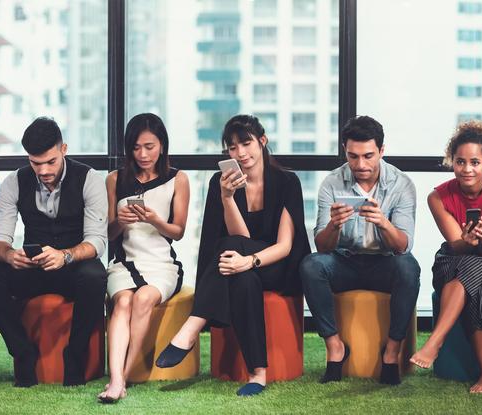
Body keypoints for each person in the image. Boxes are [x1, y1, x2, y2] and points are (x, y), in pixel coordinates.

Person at [154, 115, 310, 397]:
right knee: (242, 278)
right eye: (232, 147)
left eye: (246, 144)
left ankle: (192, 326)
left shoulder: (287, 182)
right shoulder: (221, 182)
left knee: (234, 256)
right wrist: (227, 198)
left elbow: (286, 245)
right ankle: (258, 374)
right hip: (245, 263)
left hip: (279, 266)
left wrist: (248, 260)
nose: (240, 153)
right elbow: (242, 239)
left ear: (262, 141)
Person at [0, 117, 108, 387]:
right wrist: (9, 255)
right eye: (36, 163)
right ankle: (22, 352)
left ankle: (75, 356)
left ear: (64, 150)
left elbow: (97, 242)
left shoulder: (90, 179)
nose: (44, 170)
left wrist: (65, 256)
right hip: (33, 270)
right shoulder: (14, 181)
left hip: (72, 267)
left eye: (51, 161)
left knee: (95, 275)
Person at [300, 115, 420, 386]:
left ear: (382, 151)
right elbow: (322, 246)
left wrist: (383, 223)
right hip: (345, 263)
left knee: (409, 267)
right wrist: (334, 224)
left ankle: (391, 353)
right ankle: (335, 348)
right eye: (353, 156)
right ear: (345, 150)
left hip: (385, 262)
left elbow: (403, 246)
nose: (360, 165)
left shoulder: (402, 185)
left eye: (368, 156)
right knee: (311, 265)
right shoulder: (331, 183)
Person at [408, 121, 482, 393]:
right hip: (453, 257)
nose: (467, 169)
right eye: (460, 162)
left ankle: (435, 341)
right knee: (473, 283)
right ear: (452, 161)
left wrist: (480, 239)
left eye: (475, 162)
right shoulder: (438, 197)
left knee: (473, 266)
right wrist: (465, 241)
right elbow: (454, 244)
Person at [97, 113, 190, 403]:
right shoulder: (114, 179)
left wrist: (154, 219)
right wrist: (121, 222)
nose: (143, 154)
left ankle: (121, 378)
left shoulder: (178, 179)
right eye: (136, 148)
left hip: (162, 264)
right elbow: (109, 234)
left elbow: (178, 231)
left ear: (162, 145)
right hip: (124, 263)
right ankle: (116, 380)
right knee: (122, 301)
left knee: (144, 298)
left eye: (149, 146)